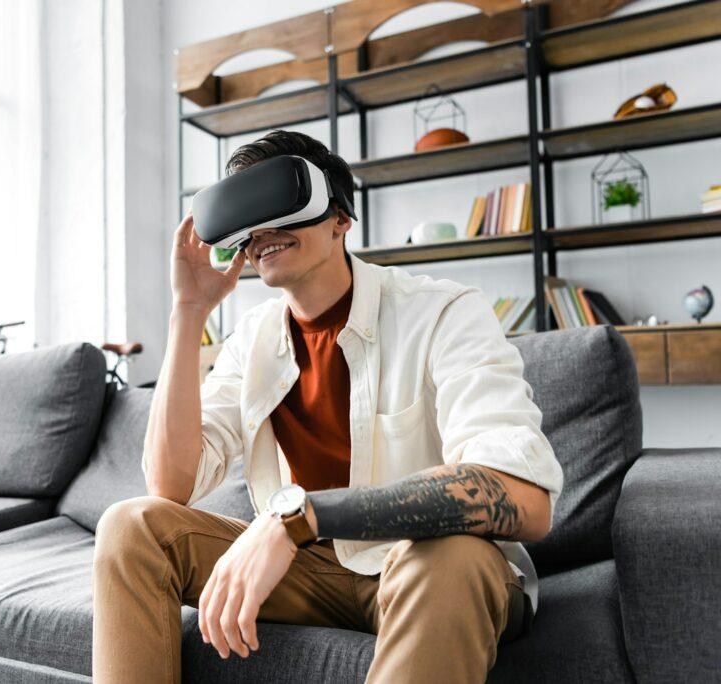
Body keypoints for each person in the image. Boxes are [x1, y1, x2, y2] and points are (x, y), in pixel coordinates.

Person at [92, 129, 564, 683]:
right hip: (316, 570)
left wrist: (298, 519)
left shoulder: (443, 312)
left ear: (340, 217)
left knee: (449, 555)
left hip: (426, 566)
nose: (261, 232)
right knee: (131, 525)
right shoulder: (254, 338)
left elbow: (525, 498)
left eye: (281, 207)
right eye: (249, 219)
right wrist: (188, 311)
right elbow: (170, 489)